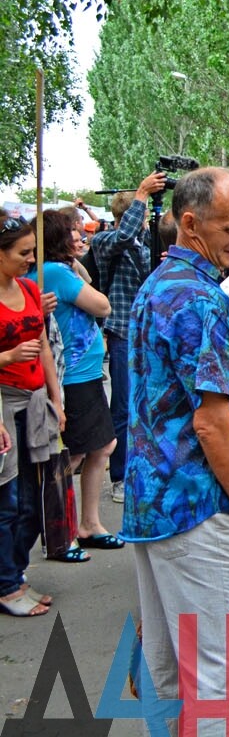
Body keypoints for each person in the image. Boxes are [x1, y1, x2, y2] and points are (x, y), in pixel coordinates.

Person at [122, 168, 229, 724]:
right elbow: (212, 423)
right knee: (224, 680)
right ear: (189, 223)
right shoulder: (201, 299)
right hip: (194, 507)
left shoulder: (159, 285)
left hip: (155, 505)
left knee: (171, 675)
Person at [28, 209, 118, 560]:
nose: (81, 238)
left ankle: (88, 524)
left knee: (101, 446)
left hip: (86, 373)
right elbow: (102, 304)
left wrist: (76, 264)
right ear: (57, 240)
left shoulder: (60, 271)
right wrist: (75, 268)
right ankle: (61, 529)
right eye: (74, 233)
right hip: (75, 377)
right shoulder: (54, 272)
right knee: (75, 453)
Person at [88, 170, 168, 501]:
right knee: (122, 408)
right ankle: (119, 476)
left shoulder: (145, 244)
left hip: (148, 332)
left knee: (151, 405)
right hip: (122, 333)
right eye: (142, 213)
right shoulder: (105, 241)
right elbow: (124, 236)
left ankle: (145, 470)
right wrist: (141, 195)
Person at [0, 216, 65, 617]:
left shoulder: (28, 289)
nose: (30, 259)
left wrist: (57, 397)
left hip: (36, 401)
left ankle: (14, 574)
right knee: (6, 501)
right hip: (4, 404)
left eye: (33, 251)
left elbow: (42, 343)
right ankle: (7, 586)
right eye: (23, 253)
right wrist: (6, 357)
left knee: (32, 500)